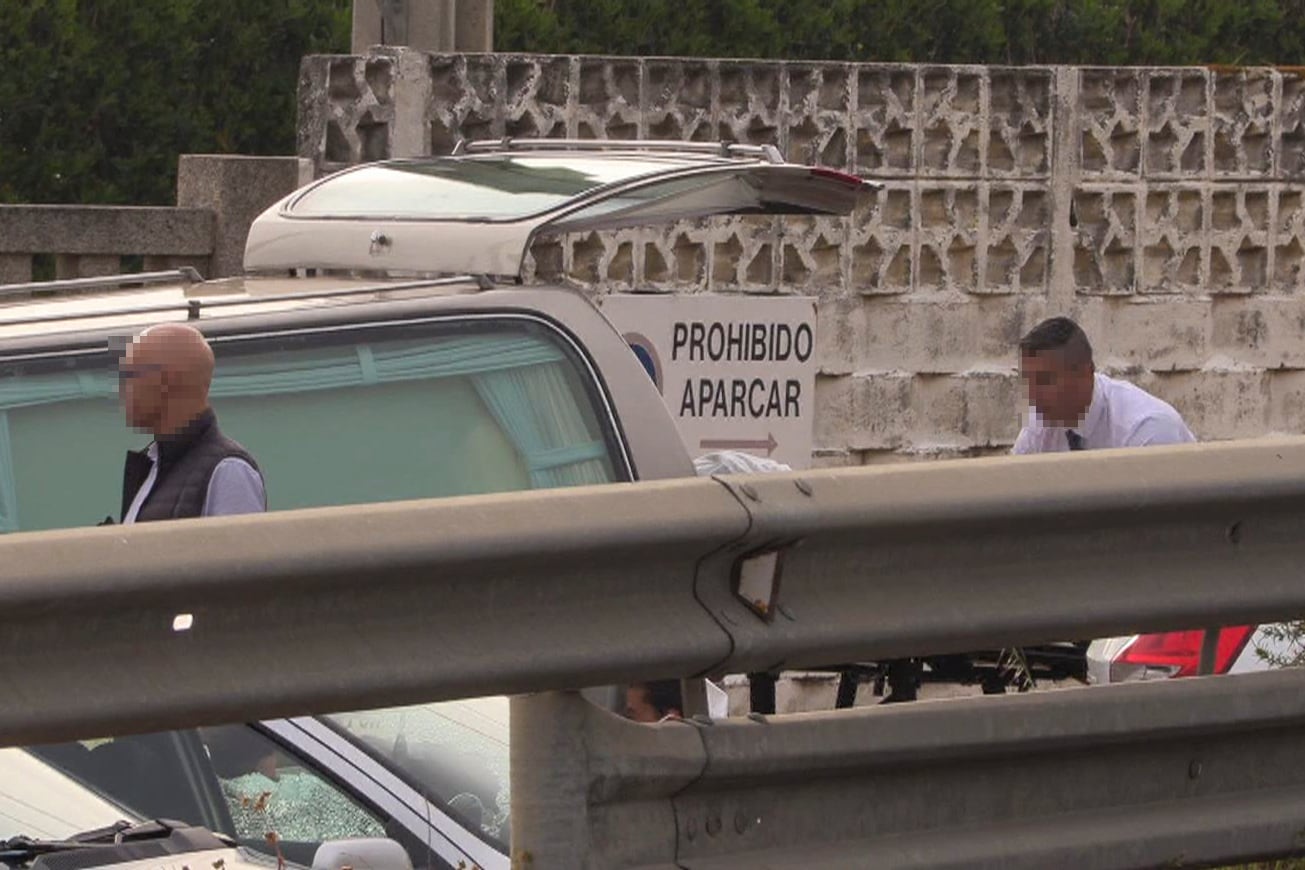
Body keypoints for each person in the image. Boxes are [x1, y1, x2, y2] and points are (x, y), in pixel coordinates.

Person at [114, 323, 266, 523]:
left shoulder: (228, 471)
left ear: (166, 382)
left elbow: (243, 553)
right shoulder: (152, 465)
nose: (123, 390)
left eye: (131, 376)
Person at [1012, 316, 1196, 453]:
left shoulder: (1147, 428)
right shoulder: (1042, 423)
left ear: (1084, 373)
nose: (1032, 395)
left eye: (1044, 381)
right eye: (1027, 381)